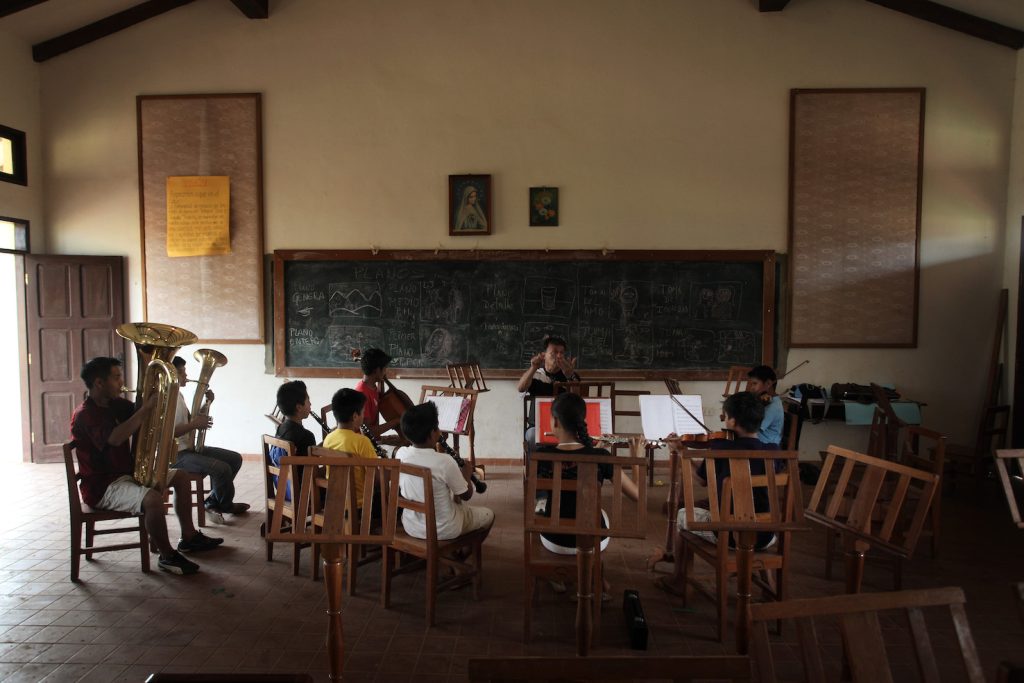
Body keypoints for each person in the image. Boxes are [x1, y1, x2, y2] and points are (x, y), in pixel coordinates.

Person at [70, 356, 222, 576]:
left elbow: (146, 416)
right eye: (116, 377)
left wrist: (160, 396)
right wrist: (146, 409)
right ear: (99, 383)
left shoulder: (114, 405)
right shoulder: (85, 414)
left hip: (126, 474)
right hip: (103, 486)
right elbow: (115, 438)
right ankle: (167, 556)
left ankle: (188, 537)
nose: (121, 381)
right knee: (152, 499)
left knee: (180, 477)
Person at [654, 391, 779, 597]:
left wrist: (680, 452)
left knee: (684, 514)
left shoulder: (721, 450)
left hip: (729, 535)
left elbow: (702, 479)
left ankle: (678, 580)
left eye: (725, 416)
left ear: (732, 421)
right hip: (767, 535)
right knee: (756, 514)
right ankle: (769, 588)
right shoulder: (774, 452)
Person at [534, 392, 639, 555]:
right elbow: (637, 495)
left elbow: (537, 501)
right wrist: (635, 460)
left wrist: (595, 451)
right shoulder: (601, 458)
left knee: (547, 505)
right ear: (582, 422)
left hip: (552, 538)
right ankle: (594, 574)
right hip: (592, 541)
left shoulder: (540, 455)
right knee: (601, 512)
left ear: (555, 421)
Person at [394, 402, 494, 541]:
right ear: (432, 433)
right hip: (443, 529)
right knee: (489, 514)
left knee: (452, 499)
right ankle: (459, 551)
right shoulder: (444, 461)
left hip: (412, 525)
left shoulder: (400, 454)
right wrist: (466, 473)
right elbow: (466, 495)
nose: (439, 431)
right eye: (437, 428)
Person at [171, 357, 249, 524]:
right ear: (170, 374)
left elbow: (190, 420)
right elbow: (166, 435)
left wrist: (207, 403)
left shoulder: (179, 395)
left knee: (234, 459)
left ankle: (213, 502)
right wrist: (194, 424)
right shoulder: (165, 399)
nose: (186, 375)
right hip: (175, 455)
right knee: (221, 469)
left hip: (188, 448)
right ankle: (224, 504)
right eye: (181, 372)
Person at [516, 334, 581, 448]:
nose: (559, 356)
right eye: (554, 352)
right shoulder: (536, 374)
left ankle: (566, 465)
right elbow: (521, 388)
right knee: (531, 435)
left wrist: (570, 376)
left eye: (561, 353)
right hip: (538, 425)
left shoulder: (570, 375)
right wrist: (533, 368)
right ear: (543, 355)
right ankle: (538, 465)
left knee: (580, 435)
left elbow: (579, 398)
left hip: (564, 427)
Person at [321, 388, 380, 509]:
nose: (364, 416)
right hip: (360, 507)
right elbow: (376, 480)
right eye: (363, 413)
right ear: (354, 416)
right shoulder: (362, 442)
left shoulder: (328, 439)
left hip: (336, 503)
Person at [355, 347, 391, 437]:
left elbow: (380, 397)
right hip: (363, 443)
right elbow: (367, 432)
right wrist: (396, 422)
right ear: (377, 370)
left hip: (373, 439)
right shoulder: (362, 394)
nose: (385, 372)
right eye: (385, 369)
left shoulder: (372, 386)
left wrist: (381, 379)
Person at [274, 380, 316, 456]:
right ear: (299, 407)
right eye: (308, 400)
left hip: (282, 467)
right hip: (300, 468)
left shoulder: (279, 428)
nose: (310, 404)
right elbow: (312, 467)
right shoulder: (307, 437)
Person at [748, 365, 783, 446]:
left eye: (754, 384)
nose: (751, 388)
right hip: (759, 443)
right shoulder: (765, 401)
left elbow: (751, 428)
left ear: (768, 383)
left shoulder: (773, 406)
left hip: (767, 448)